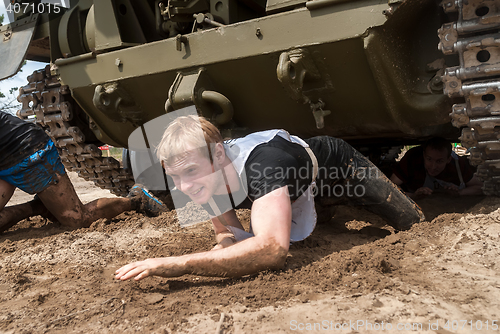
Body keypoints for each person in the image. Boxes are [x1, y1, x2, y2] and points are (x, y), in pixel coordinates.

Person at [115, 115, 425, 281]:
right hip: (290, 189)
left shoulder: (264, 164)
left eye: (191, 172)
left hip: (336, 172)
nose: (184, 186)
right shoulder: (199, 178)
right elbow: (224, 230)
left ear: (219, 154)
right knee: (311, 221)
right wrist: (225, 243)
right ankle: (318, 210)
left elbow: (272, 250)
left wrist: (178, 265)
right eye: (175, 177)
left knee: (411, 222)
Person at [0, 111, 166, 233]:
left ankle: (137, 199)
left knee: (76, 218)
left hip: (27, 150)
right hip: (3, 159)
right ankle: (39, 206)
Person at [390, 137, 483, 199]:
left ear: (448, 159)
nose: (433, 167)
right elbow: (389, 188)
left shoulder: (457, 165)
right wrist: (414, 195)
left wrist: (459, 192)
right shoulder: (413, 160)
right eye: (429, 159)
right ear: (423, 156)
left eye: (439, 161)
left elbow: (481, 187)